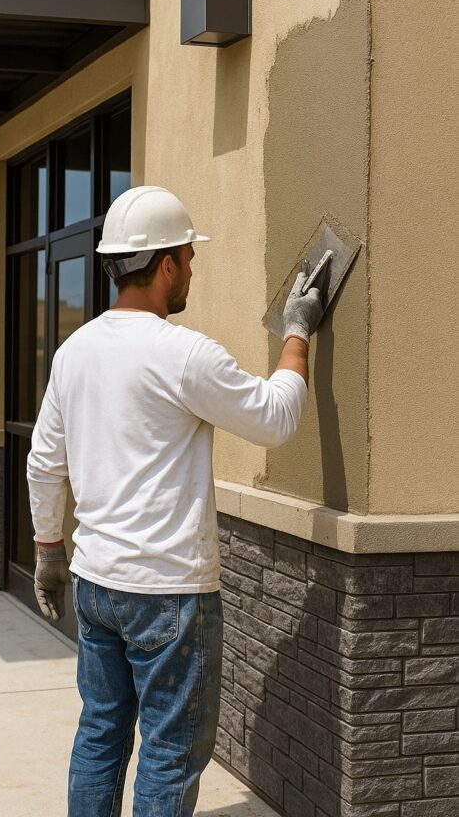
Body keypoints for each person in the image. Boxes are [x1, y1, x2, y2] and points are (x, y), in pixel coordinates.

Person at [26, 185, 324, 817]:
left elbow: (43, 463)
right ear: (164, 266)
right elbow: (275, 419)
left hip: (95, 584)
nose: (192, 271)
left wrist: (49, 550)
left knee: (101, 734)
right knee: (169, 751)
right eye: (188, 259)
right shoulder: (183, 354)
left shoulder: (72, 353)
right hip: (167, 592)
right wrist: (298, 333)